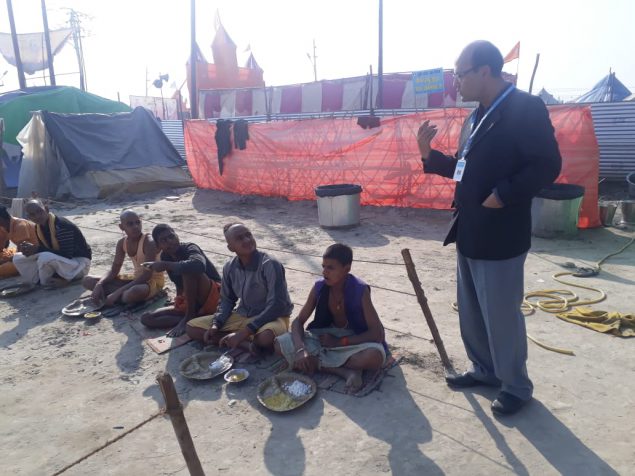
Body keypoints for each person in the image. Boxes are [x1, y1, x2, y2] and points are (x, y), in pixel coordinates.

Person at [416, 40, 562, 415]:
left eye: (460, 73)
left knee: (501, 314)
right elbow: (466, 169)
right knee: (473, 310)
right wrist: (429, 156)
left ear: (485, 71)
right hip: (469, 228)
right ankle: (484, 369)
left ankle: (516, 385)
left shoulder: (525, 108)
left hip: (501, 231)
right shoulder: (475, 117)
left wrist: (504, 194)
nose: (456, 82)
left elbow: (546, 164)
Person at [275, 243, 388, 393]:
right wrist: (300, 349)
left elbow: (377, 334)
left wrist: (339, 342)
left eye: (331, 268)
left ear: (346, 269)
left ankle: (315, 363)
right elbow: (298, 322)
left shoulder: (360, 290)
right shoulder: (319, 287)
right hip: (323, 339)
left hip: (351, 341)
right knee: (278, 344)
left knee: (375, 357)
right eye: (323, 266)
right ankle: (345, 371)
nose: (324, 272)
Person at [187, 223, 293, 355]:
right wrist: (216, 324)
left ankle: (238, 337)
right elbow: (226, 300)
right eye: (239, 238)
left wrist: (246, 331)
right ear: (230, 247)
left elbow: (277, 305)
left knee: (266, 337)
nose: (247, 240)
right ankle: (244, 344)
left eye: (248, 235)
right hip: (243, 315)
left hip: (272, 317)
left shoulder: (270, 264)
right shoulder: (229, 267)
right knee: (191, 327)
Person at [140, 224, 221, 337]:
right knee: (146, 318)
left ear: (177, 235)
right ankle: (193, 319)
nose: (169, 241)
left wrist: (165, 265)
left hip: (215, 296)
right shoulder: (165, 256)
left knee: (187, 268)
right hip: (193, 300)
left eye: (171, 236)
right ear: (158, 246)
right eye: (163, 240)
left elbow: (198, 266)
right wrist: (179, 300)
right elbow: (178, 283)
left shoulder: (190, 247)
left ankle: (189, 316)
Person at [82, 210, 165, 306]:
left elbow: (147, 276)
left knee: (133, 292)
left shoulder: (149, 242)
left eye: (137, 222)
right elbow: (114, 270)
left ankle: (113, 296)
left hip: (152, 282)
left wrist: (117, 292)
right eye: (130, 224)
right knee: (87, 280)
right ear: (122, 227)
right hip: (135, 279)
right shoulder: (122, 243)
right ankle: (116, 296)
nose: (135, 227)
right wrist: (99, 284)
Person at [13, 200, 92, 287]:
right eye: (32, 214)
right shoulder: (38, 228)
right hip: (62, 262)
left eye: (39, 211)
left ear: (46, 209)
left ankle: (56, 281)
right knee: (17, 258)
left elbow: (66, 254)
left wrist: (37, 249)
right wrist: (28, 250)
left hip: (79, 265)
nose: (37, 216)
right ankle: (40, 281)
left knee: (44, 257)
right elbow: (45, 250)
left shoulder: (62, 226)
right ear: (29, 217)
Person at [0, 206, 38, 279]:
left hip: (32, 254)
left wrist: (4, 261)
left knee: (3, 269)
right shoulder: (3, 226)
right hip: (18, 253)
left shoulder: (20, 225)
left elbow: (21, 255)